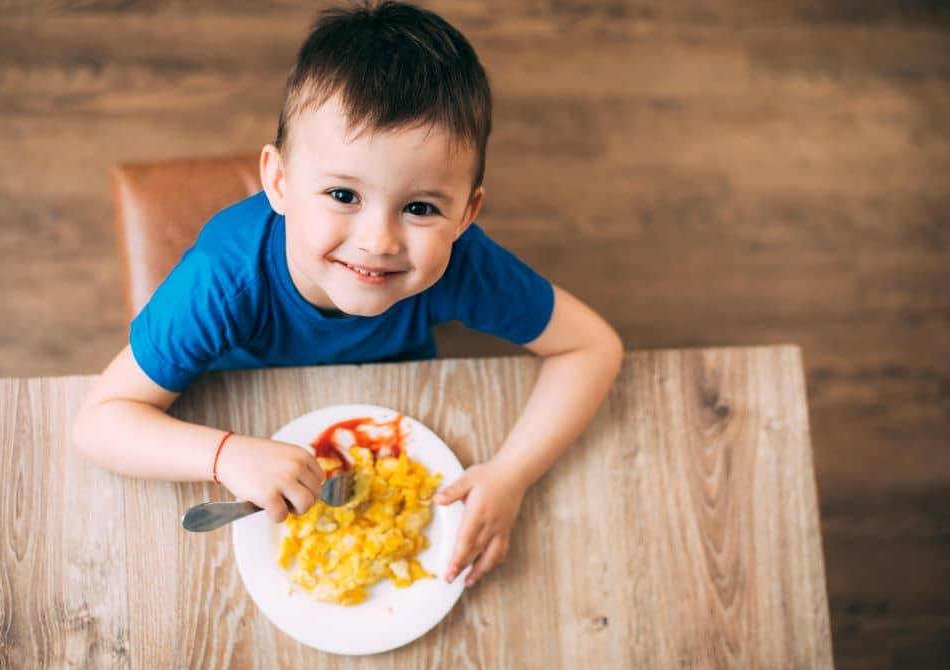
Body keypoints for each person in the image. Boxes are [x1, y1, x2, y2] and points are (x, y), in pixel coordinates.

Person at [74, 1, 623, 589]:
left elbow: (591, 348)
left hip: (398, 407)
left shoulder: (464, 265)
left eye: (419, 208)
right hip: (235, 412)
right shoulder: (223, 281)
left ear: (466, 214)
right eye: (343, 195)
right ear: (280, 181)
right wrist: (226, 455)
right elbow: (100, 424)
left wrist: (511, 475)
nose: (377, 241)